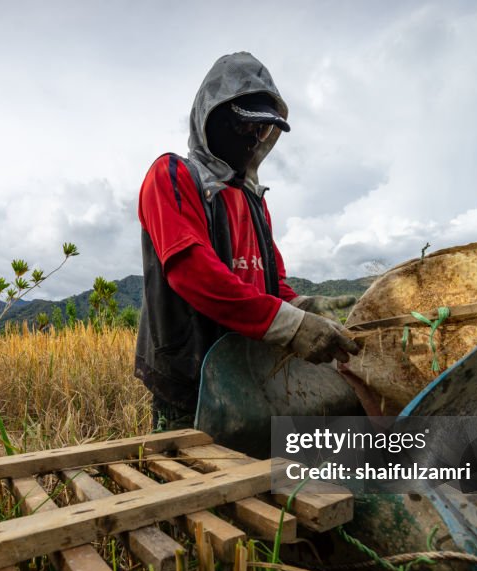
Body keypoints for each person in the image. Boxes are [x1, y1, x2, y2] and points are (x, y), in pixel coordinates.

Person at [135, 51, 360, 430]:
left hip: (247, 377)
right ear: (212, 118)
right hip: (190, 381)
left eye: (261, 129)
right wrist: (292, 327)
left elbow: (271, 282)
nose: (253, 138)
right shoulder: (173, 176)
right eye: (243, 126)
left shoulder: (254, 200)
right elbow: (191, 273)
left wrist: (304, 307)